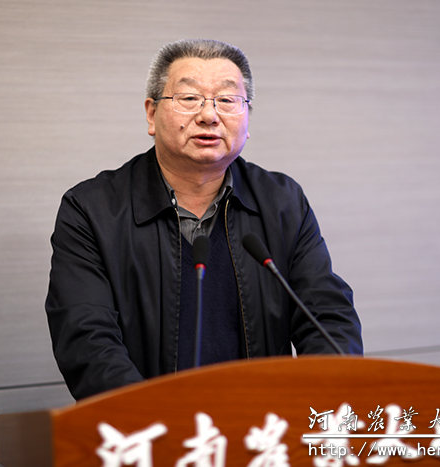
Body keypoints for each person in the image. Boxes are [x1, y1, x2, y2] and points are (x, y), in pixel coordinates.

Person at [46, 39, 362, 400]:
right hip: (151, 427)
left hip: (262, 425)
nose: (209, 115)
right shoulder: (91, 209)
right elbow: (87, 340)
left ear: (247, 118)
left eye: (227, 100)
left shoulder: (282, 202)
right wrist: (155, 421)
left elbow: (326, 317)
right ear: (151, 114)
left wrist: (313, 402)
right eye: (189, 98)